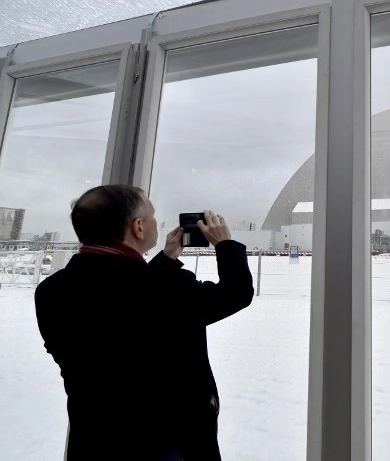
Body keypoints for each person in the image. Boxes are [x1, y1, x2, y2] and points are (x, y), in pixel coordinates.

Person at [35, 185, 254, 460]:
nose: (155, 223)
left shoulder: (51, 291)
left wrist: (166, 260)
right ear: (138, 227)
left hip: (94, 440)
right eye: (151, 216)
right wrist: (225, 244)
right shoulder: (166, 290)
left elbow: (123, 300)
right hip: (166, 444)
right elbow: (236, 293)